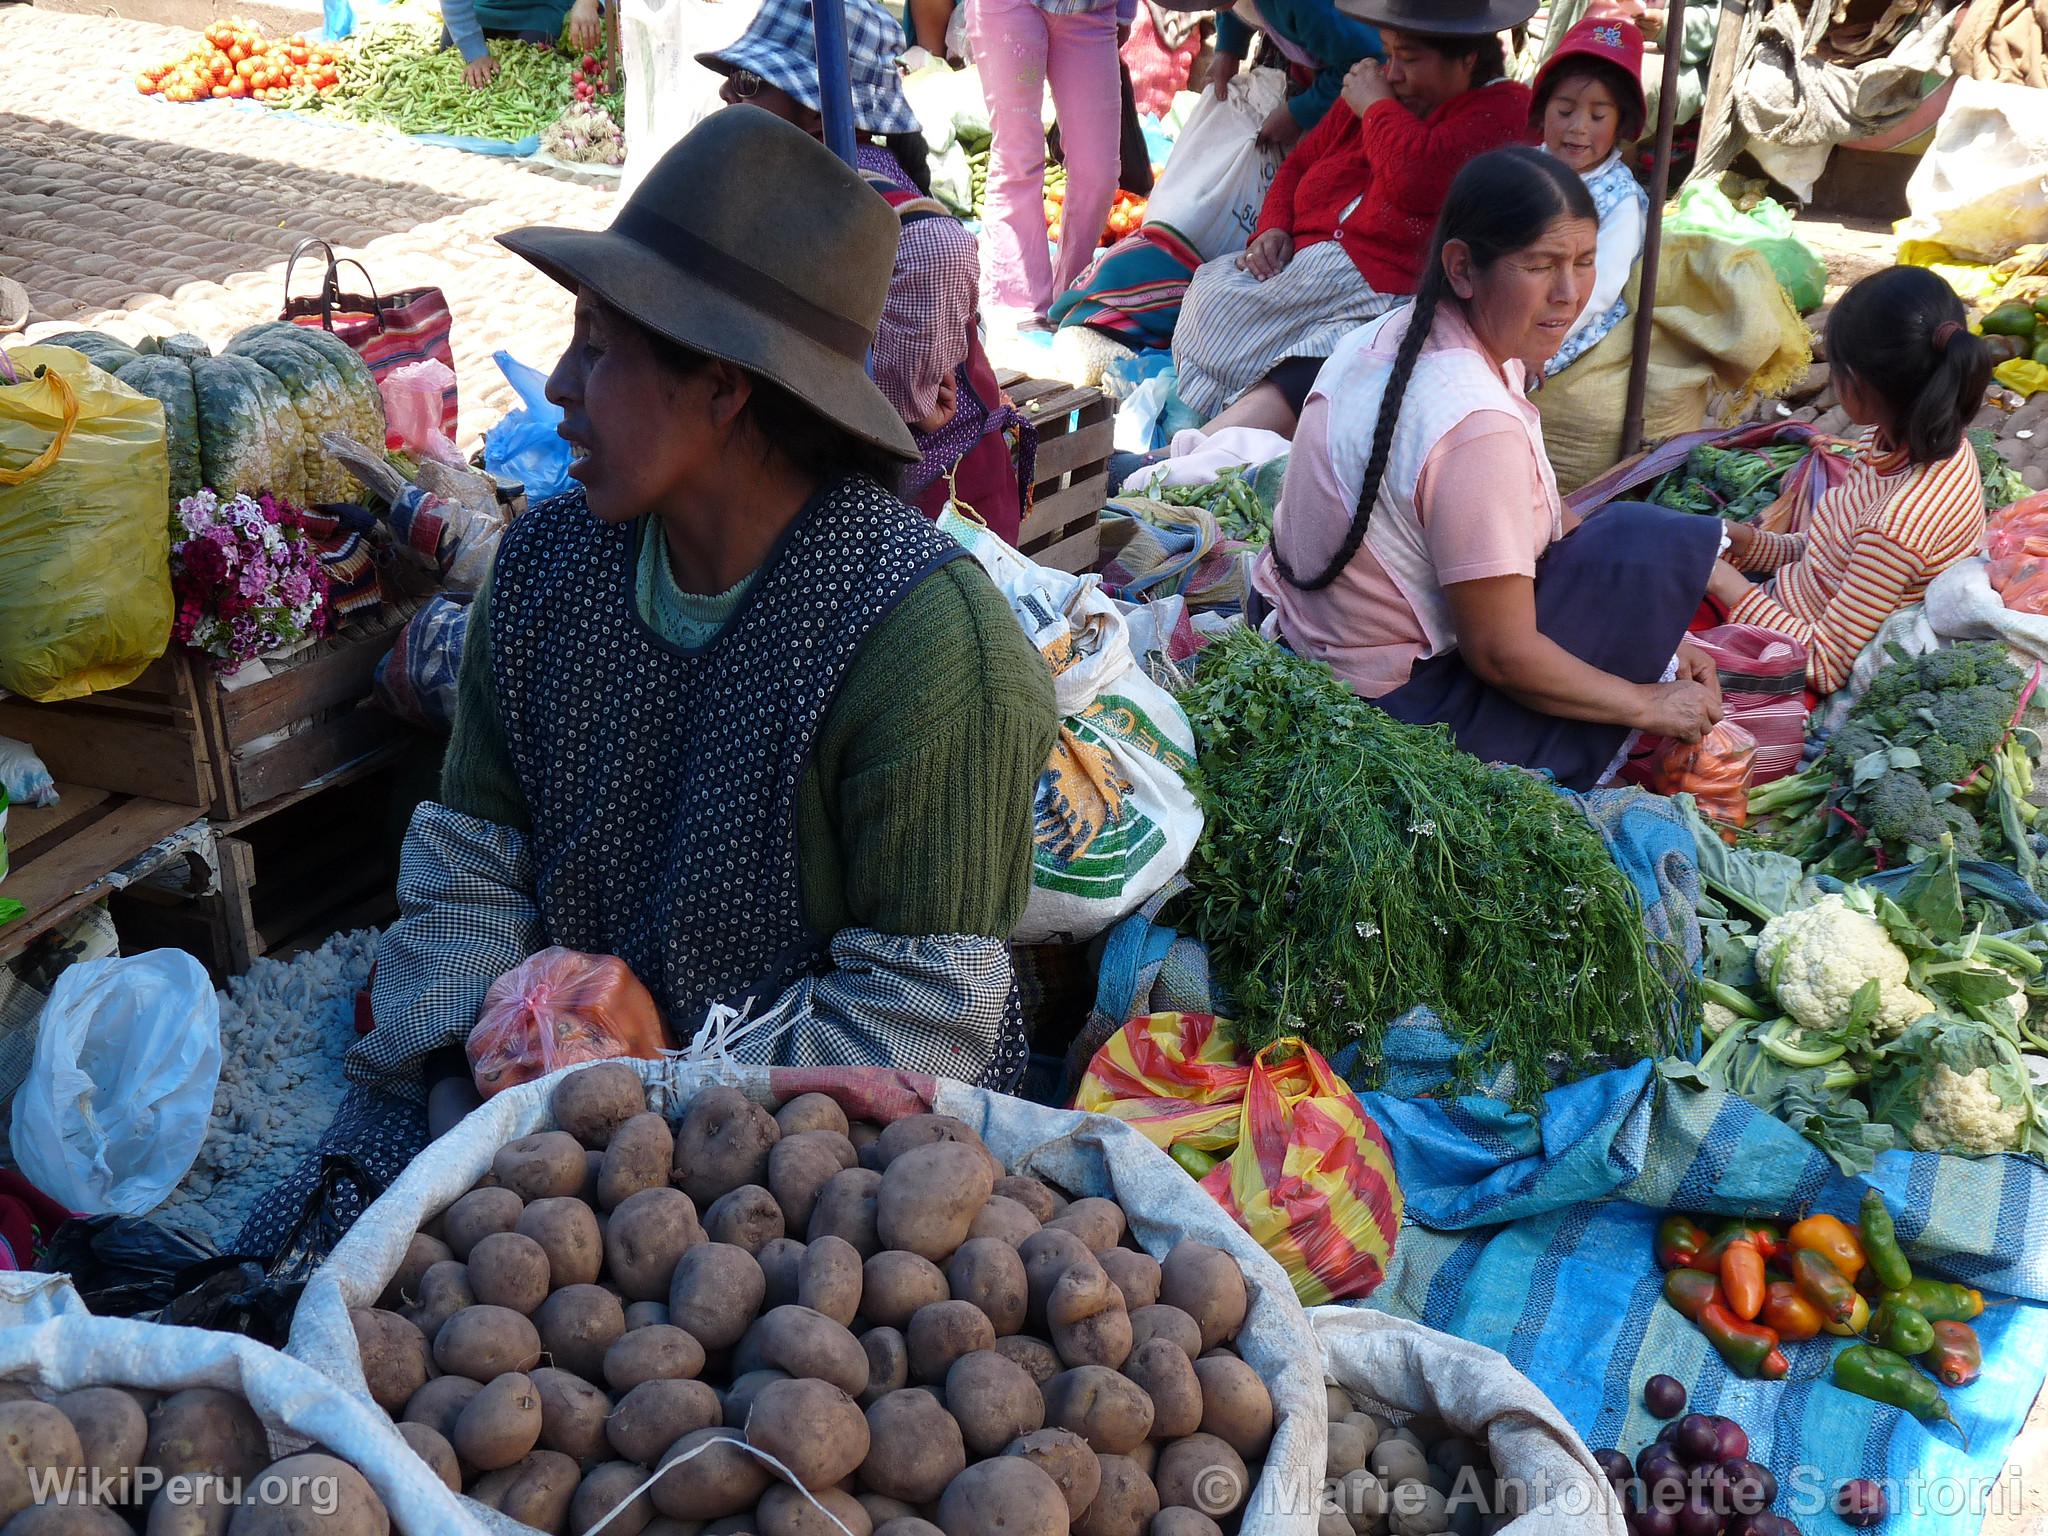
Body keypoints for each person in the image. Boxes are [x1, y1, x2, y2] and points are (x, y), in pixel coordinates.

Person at [234, 108, 1058, 1259]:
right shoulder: (547, 568)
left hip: (811, 1160)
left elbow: (922, 1020)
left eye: (597, 346)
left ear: (723, 391)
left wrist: (669, 1084)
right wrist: (479, 1074)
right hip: (541, 1091)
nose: (562, 386)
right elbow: (471, 865)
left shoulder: (923, 646)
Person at [1251, 147, 1724, 791]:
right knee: (1640, 540)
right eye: (1540, 266)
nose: (1569, 294)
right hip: (1383, 709)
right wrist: (1648, 702)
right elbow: (1500, 655)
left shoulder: (1393, 332)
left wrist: (1659, 653)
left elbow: (1551, 521)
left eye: (1585, 263)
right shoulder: (1473, 426)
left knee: (1612, 548)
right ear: (1463, 268)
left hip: (1289, 632)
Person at [697, 0, 1029, 537]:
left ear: (815, 110)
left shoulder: (882, 217)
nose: (726, 93)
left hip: (924, 522)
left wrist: (900, 400)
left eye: (748, 82)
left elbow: (941, 255)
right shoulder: (776, 185)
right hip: (830, 490)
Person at [1172, 0, 1538, 431]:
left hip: (1388, 295)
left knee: (1328, 358)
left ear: (1468, 59)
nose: (1394, 72)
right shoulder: (1379, 86)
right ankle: (1194, 426)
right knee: (1212, 293)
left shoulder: (1504, 109)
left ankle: (1197, 447)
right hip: (1306, 272)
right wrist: (1272, 227)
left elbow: (1416, 178)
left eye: (1411, 59)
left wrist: (1378, 107)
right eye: (1390, 53)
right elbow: (1300, 164)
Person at [1707, 267, 1993, 695]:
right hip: (1785, 606)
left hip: (1794, 662)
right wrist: (1750, 544)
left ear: (1854, 387)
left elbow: (1824, 666)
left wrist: (1727, 586)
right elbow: (1831, 556)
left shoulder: (1899, 521)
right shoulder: (1892, 441)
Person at [972, 0, 1136, 329]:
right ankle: (1016, 306)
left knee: (1099, 173)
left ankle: (1068, 296)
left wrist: (1125, 10)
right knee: (1017, 157)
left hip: (1092, 9)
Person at [1529, 16, 1648, 377]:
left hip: (1564, 323)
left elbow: (1599, 292)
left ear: (1620, 123)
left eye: (1597, 116)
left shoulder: (1620, 201)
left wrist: (1537, 342)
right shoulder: (1524, 167)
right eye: (1565, 111)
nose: (1578, 127)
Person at [1209, 0, 1384, 150]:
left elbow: (1367, 61)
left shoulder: (1310, 8)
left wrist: (1301, 112)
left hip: (1356, 74)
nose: (1210, 9)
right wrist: (1228, 47)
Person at [443, 0, 599, 88]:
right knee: (450, 50)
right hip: (483, 6)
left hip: (542, 7)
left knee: (536, 58)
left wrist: (588, 2)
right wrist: (475, 53)